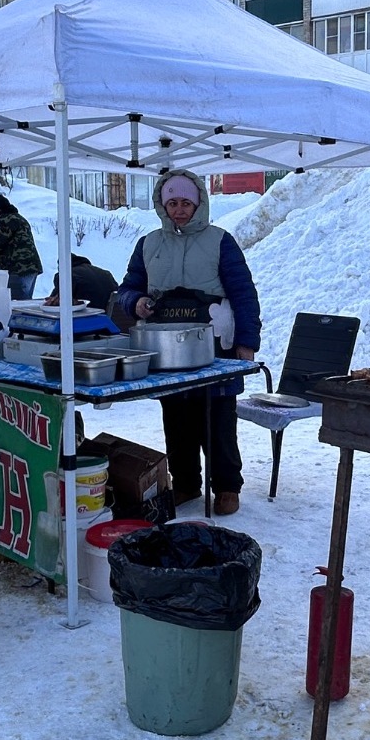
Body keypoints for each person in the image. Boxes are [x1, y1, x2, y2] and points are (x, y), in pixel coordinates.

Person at [118, 170, 260, 516]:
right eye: (172, 203)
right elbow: (128, 288)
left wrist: (247, 342)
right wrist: (136, 302)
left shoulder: (220, 241)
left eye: (186, 203)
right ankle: (185, 483)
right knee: (176, 415)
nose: (179, 210)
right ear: (162, 205)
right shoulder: (149, 243)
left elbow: (244, 294)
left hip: (215, 343)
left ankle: (227, 486)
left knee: (218, 417)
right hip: (167, 346)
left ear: (198, 204)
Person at [0, 194, 42, 300]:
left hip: (17, 268)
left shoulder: (5, 220)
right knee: (25, 301)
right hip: (31, 266)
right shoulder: (20, 219)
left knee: (16, 302)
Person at [44, 253, 118, 312]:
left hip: (86, 317)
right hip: (112, 319)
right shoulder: (106, 274)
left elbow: (53, 301)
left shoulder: (67, 275)